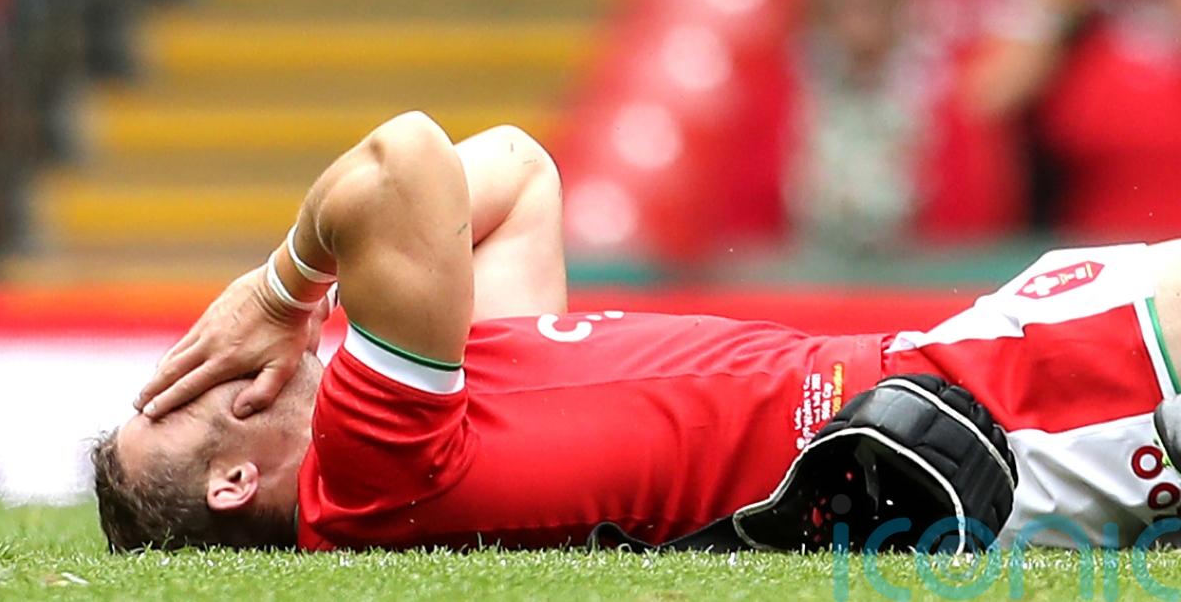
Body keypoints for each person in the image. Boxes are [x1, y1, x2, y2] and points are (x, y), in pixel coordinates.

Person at [95, 111, 1181, 552]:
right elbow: (402, 162)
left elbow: (518, 172)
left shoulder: (445, 412)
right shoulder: (365, 474)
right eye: (180, 390)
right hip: (987, 425)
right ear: (234, 481)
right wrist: (281, 291)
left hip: (962, 365)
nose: (212, 354)